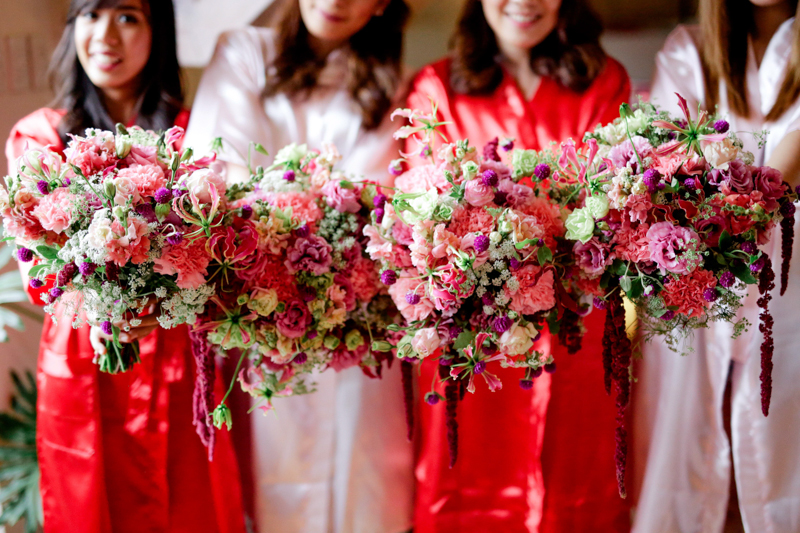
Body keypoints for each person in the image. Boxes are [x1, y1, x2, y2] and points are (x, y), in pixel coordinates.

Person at [4, 1, 246, 532]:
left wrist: (162, 296)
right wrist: (108, 301)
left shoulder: (194, 134)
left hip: (181, 356)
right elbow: (38, 271)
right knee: (91, 505)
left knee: (192, 505)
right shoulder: (39, 137)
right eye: (91, 14)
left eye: (128, 16)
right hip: (80, 359)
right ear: (74, 28)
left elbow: (223, 256)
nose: (106, 35)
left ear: (157, 32)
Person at [183, 1, 415, 532]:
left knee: (368, 482)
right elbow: (224, 181)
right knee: (276, 478)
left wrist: (314, 216)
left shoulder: (392, 86)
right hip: (265, 314)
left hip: (360, 322)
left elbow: (381, 203)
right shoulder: (243, 51)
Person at [402, 0, 631, 531]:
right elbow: (424, 208)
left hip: (580, 324)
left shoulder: (603, 82)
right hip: (475, 330)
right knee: (467, 480)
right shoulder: (436, 87)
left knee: (575, 484)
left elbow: (615, 202)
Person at [636, 1, 800, 531]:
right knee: (685, 443)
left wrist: (737, 205)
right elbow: (663, 164)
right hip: (699, 268)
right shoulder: (687, 51)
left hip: (791, 274)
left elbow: (781, 170)